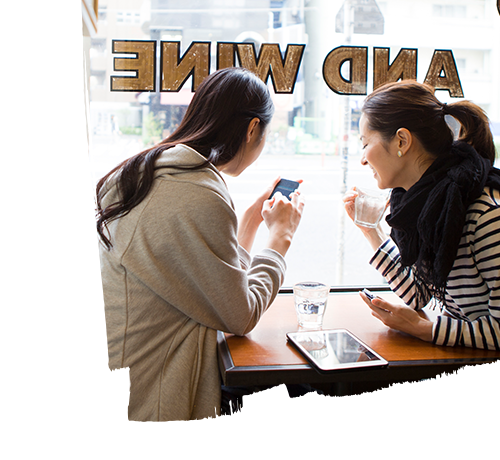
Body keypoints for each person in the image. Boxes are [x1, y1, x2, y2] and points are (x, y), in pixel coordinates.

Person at [96, 67, 304, 421]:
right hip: (152, 394)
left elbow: (205, 283)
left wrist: (250, 222)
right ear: (253, 128)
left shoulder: (147, 170)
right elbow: (239, 315)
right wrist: (280, 239)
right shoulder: (197, 193)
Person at [343, 80, 500, 351]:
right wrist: (371, 229)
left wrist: (424, 329)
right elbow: (418, 293)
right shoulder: (428, 204)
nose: (363, 159)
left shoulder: (484, 216)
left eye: (365, 142)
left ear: (402, 141)